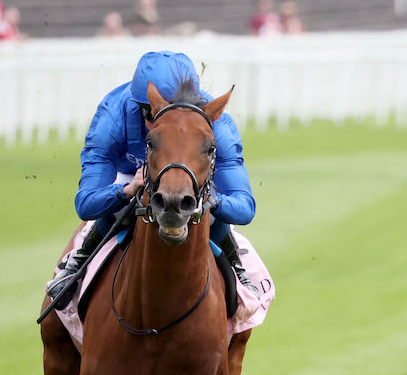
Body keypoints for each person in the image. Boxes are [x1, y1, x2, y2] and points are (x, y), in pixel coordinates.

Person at [46, 51, 258, 307]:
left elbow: (245, 207)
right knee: (118, 206)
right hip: (129, 175)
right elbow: (86, 203)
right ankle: (77, 265)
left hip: (191, 181)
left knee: (210, 211)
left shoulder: (216, 124)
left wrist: (214, 200)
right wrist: (123, 191)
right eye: (156, 114)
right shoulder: (112, 117)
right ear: (143, 107)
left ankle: (238, 272)